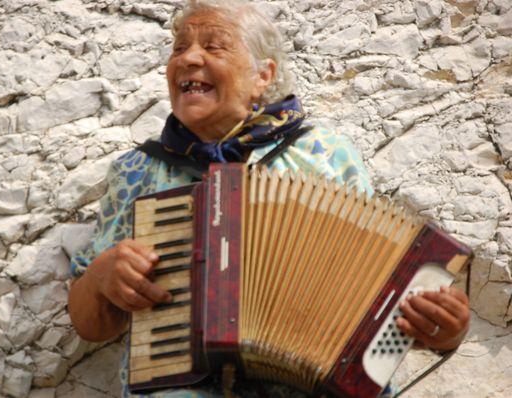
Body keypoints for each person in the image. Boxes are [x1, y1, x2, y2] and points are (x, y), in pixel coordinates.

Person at [67, 0, 470, 396]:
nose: (188, 58)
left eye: (212, 46)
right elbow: (91, 325)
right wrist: (101, 278)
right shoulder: (136, 171)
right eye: (179, 49)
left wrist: (443, 329)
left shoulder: (324, 153)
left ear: (263, 75)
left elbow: (379, 293)